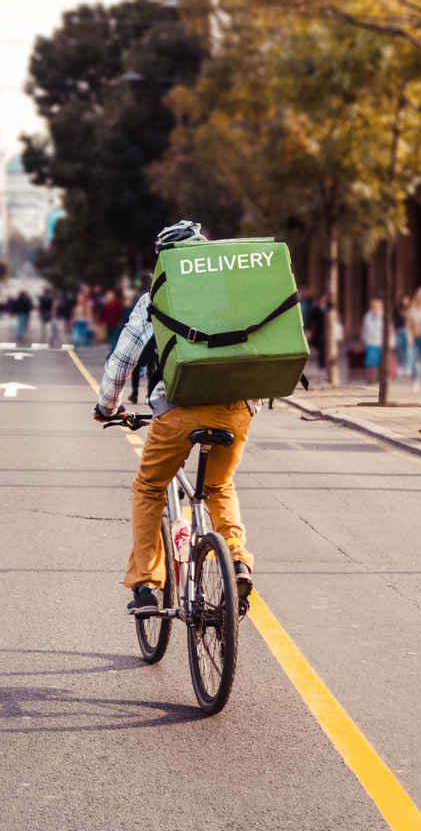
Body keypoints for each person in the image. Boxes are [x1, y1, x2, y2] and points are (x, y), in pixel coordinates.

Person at [93, 219, 256, 618]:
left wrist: (108, 407)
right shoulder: (234, 291)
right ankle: (237, 560)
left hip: (178, 409)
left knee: (149, 487)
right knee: (219, 485)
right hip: (237, 409)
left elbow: (122, 364)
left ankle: (147, 585)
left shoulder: (156, 299)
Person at [361, 298, 384, 384]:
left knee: (379, 361)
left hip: (380, 342)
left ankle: (379, 379)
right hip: (370, 341)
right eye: (374, 307)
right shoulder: (367, 316)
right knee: (370, 361)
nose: (375, 308)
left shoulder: (384, 316)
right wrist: (363, 339)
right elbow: (364, 329)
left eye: (377, 307)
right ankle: (370, 379)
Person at [100, 289, 124, 358]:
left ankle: (111, 355)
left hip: (116, 326)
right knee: (112, 341)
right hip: (110, 326)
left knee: (113, 340)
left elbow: (121, 314)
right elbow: (103, 316)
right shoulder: (106, 306)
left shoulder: (117, 305)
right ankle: (113, 354)